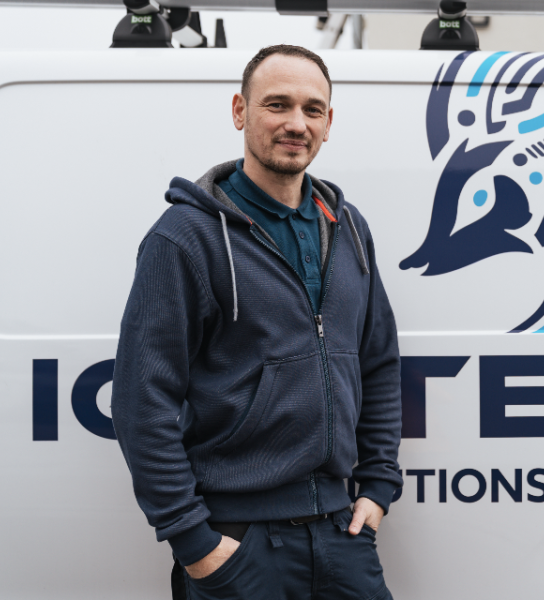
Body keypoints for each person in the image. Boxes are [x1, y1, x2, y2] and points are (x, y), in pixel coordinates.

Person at [111, 44, 402, 600]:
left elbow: (379, 363)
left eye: (312, 109)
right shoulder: (185, 238)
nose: (296, 123)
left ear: (329, 123)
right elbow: (140, 400)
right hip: (238, 541)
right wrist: (194, 542)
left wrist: (379, 483)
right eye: (277, 104)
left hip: (342, 530)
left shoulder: (348, 228)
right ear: (240, 111)